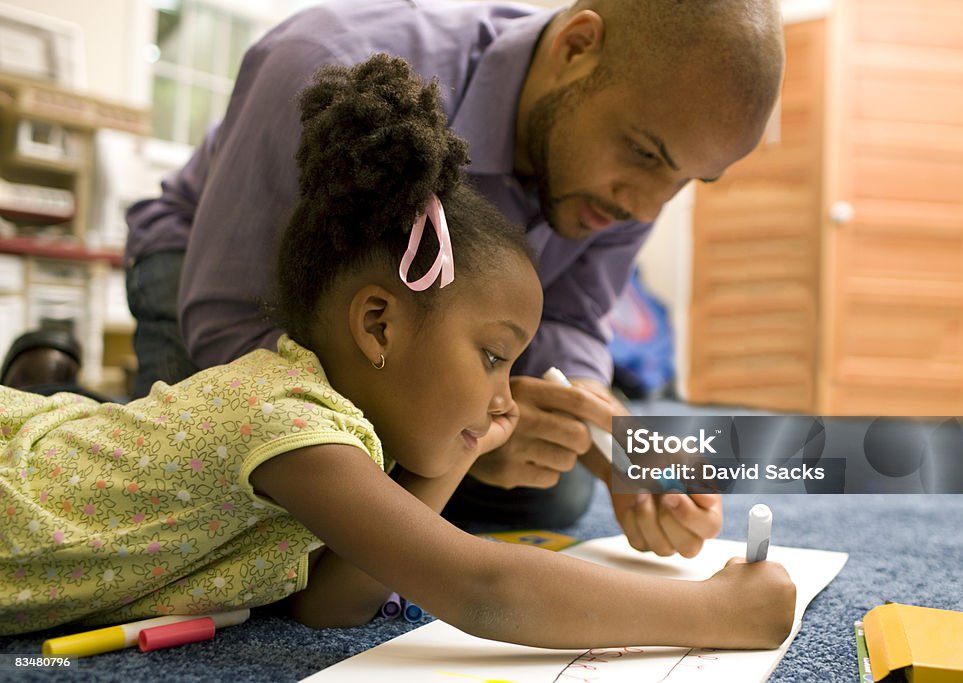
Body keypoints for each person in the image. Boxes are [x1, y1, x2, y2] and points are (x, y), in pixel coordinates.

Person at [1, 57, 796, 646]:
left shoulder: (324, 434)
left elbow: (331, 602)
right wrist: (712, 612)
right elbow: (481, 585)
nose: (509, 397)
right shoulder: (283, 416)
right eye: (494, 357)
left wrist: (463, 443)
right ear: (379, 326)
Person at [125, 0, 785, 548]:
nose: (644, 207)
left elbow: (572, 317)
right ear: (577, 45)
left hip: (418, 342)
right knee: (214, 516)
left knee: (558, 488)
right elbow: (226, 317)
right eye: (643, 154)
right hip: (222, 277)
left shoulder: (636, 180)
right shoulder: (326, 60)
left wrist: (606, 429)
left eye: (683, 180)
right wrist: (458, 427)